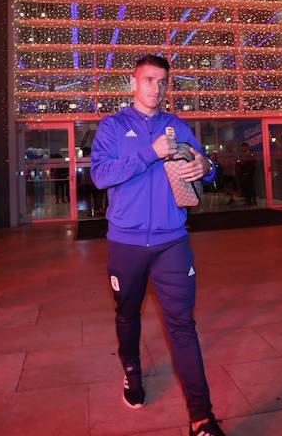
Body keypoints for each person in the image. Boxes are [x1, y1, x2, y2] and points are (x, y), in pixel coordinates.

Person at [90, 55, 226, 436]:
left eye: (162, 81)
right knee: (127, 314)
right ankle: (132, 372)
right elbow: (100, 176)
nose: (156, 88)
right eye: (149, 80)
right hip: (126, 243)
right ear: (133, 83)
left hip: (172, 242)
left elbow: (208, 165)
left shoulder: (177, 125)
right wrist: (151, 152)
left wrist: (205, 167)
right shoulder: (113, 126)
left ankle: (201, 417)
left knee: (182, 326)